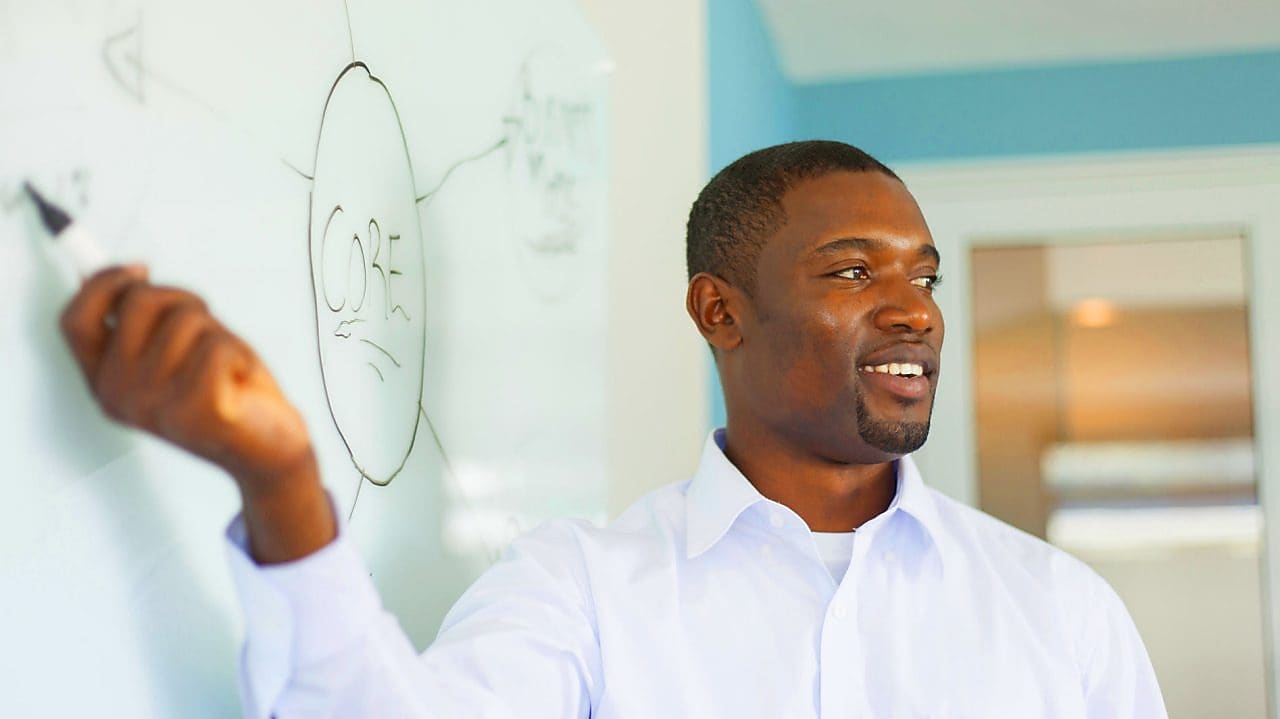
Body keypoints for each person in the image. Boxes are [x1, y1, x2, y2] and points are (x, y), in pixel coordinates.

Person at [60, 141, 1167, 717]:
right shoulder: (579, 591)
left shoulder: (1058, 612)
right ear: (717, 310)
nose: (914, 307)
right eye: (850, 270)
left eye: (921, 275)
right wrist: (280, 474)